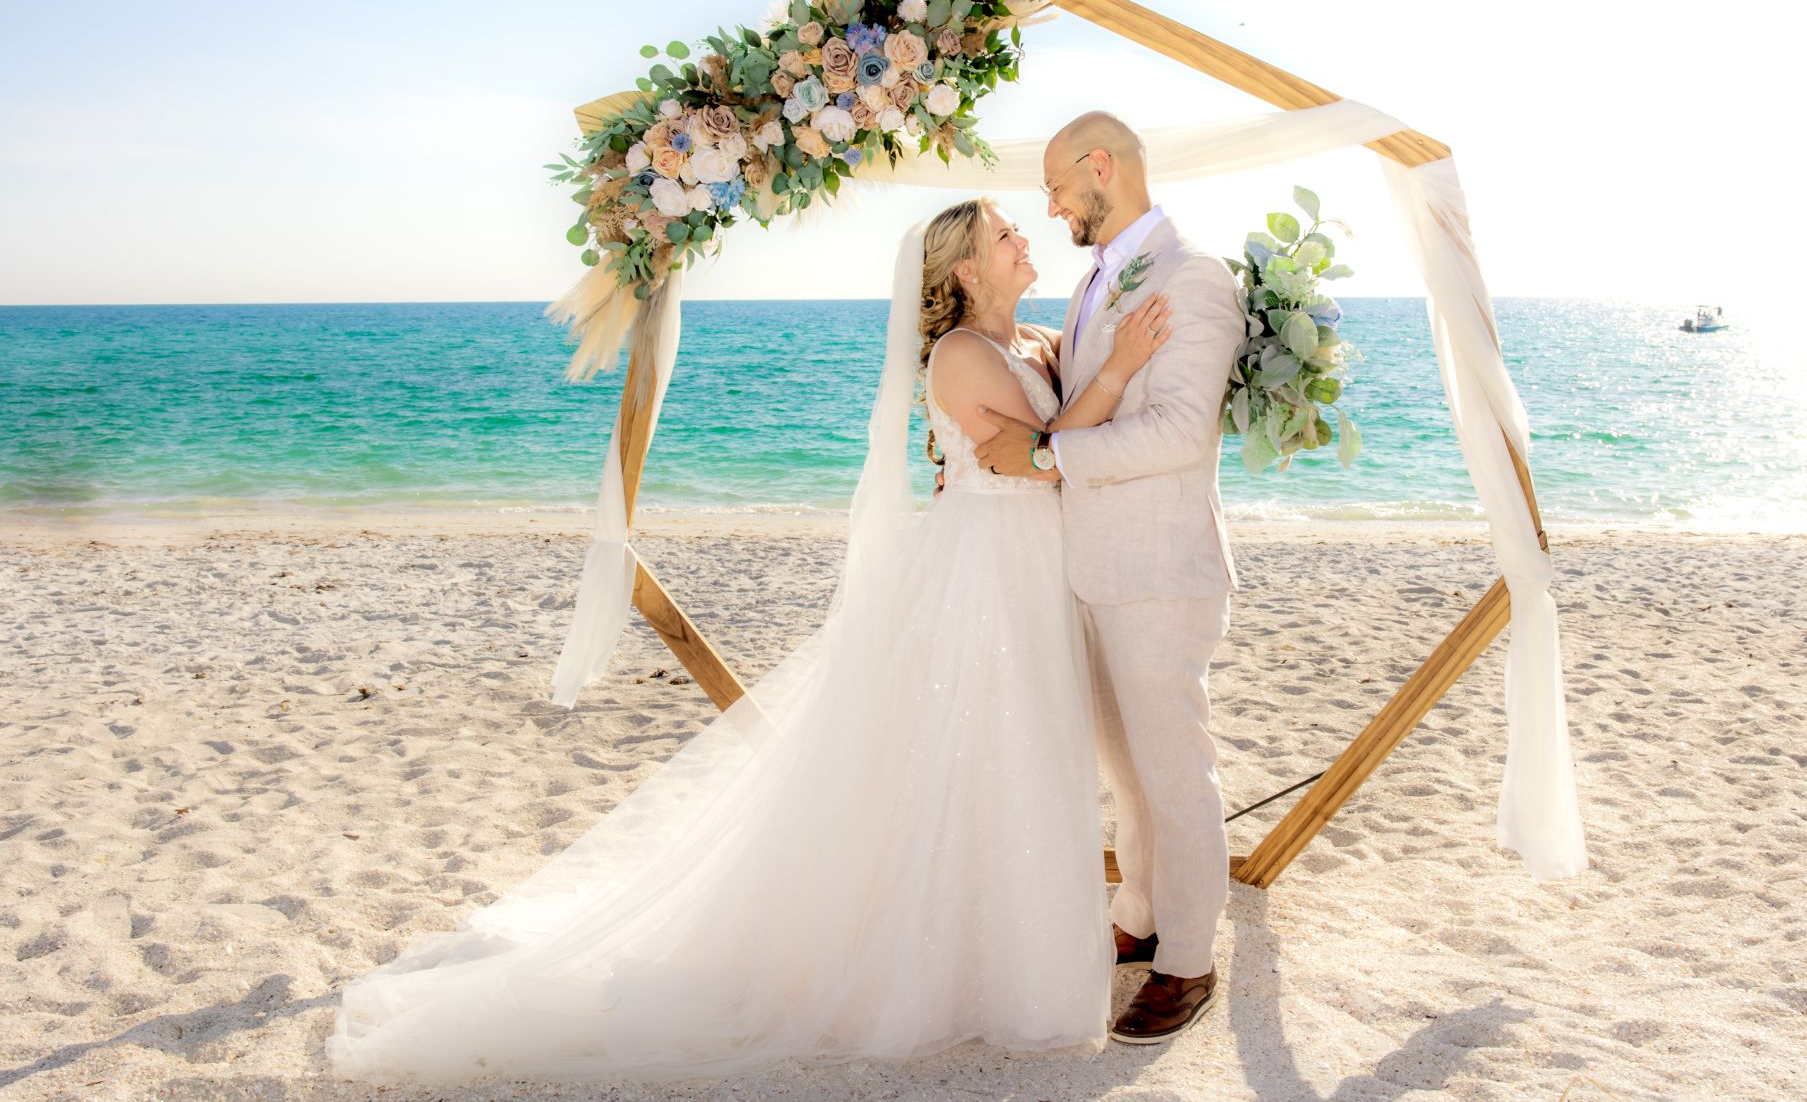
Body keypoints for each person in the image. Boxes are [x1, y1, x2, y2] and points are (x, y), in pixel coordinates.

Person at [323, 196, 1174, 1085]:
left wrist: (1105, 372)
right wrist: (1116, 372)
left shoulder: (1032, 342)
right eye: (1005, 235)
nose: (1022, 240)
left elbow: (1054, 442)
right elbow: (1051, 446)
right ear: (964, 268)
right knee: (988, 747)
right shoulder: (961, 354)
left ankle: (1010, 949)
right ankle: (970, 969)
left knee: (1028, 750)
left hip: (1036, 565)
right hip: (985, 568)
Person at [973, 111, 1247, 1045]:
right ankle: (1140, 909)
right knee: (1126, 771)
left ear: (1102, 167)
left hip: (1158, 570)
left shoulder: (1193, 279)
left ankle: (1189, 959)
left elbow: (1178, 432)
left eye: (1056, 187)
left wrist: (1046, 458)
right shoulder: (1099, 280)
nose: (1049, 207)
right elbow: (1091, 383)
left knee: (1175, 771)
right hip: (1089, 566)